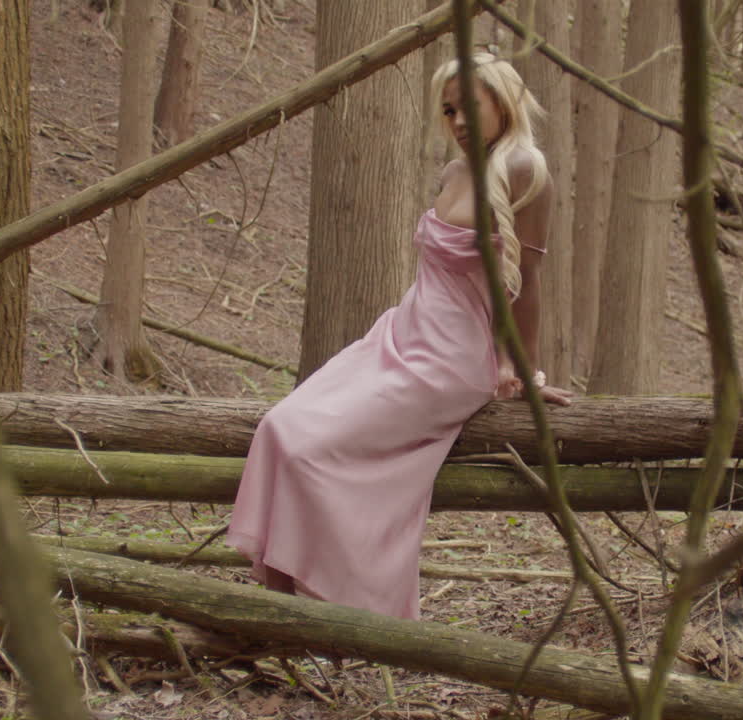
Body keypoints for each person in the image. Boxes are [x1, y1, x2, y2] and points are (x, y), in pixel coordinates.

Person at [226, 52, 573, 621]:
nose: (458, 120)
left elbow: (527, 283)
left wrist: (524, 369)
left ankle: (335, 612)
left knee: (314, 450)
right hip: (396, 337)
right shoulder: (456, 171)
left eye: (471, 105)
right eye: (448, 109)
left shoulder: (526, 170)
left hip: (449, 361)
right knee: (281, 427)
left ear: (504, 102)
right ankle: (286, 613)